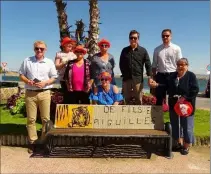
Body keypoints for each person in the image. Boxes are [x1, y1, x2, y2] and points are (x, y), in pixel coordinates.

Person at [150, 58, 199, 155]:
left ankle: (186, 145)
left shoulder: (191, 76)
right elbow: (166, 86)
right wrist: (157, 85)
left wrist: (184, 97)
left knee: (187, 125)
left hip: (187, 105)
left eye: (183, 64)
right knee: (175, 124)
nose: (180, 66)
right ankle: (177, 144)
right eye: (178, 65)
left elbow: (195, 89)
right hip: (174, 104)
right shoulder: (172, 76)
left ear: (187, 66)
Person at [19, 41, 58, 153]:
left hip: (45, 93)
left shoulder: (49, 62)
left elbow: (54, 77)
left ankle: (44, 142)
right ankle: (33, 142)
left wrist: (45, 83)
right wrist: (28, 81)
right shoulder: (27, 61)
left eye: (41, 48)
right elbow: (21, 74)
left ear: (45, 50)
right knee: (31, 119)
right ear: (34, 49)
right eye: (37, 48)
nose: (39, 50)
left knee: (45, 119)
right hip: (30, 93)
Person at [119, 30, 153, 105]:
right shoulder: (124, 50)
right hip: (126, 79)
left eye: (135, 38)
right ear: (129, 39)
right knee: (126, 99)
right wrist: (124, 73)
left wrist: (150, 76)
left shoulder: (143, 51)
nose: (133, 39)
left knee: (138, 100)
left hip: (138, 80)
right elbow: (121, 64)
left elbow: (148, 64)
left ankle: (138, 116)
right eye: (131, 38)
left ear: (138, 39)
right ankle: (127, 116)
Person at [152, 29, 183, 105]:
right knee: (159, 98)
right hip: (160, 76)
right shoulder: (157, 49)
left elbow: (180, 63)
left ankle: (173, 116)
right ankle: (158, 116)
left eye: (167, 36)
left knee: (173, 98)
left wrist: (180, 76)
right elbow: (154, 64)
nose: (165, 37)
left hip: (173, 75)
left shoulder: (176, 48)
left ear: (171, 36)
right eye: (163, 36)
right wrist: (153, 77)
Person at [54, 37, 77, 103]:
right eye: (68, 43)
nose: (70, 45)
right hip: (63, 79)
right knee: (64, 97)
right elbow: (56, 67)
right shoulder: (59, 54)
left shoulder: (74, 54)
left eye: (71, 43)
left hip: (73, 79)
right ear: (63, 45)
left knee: (72, 97)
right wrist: (63, 63)